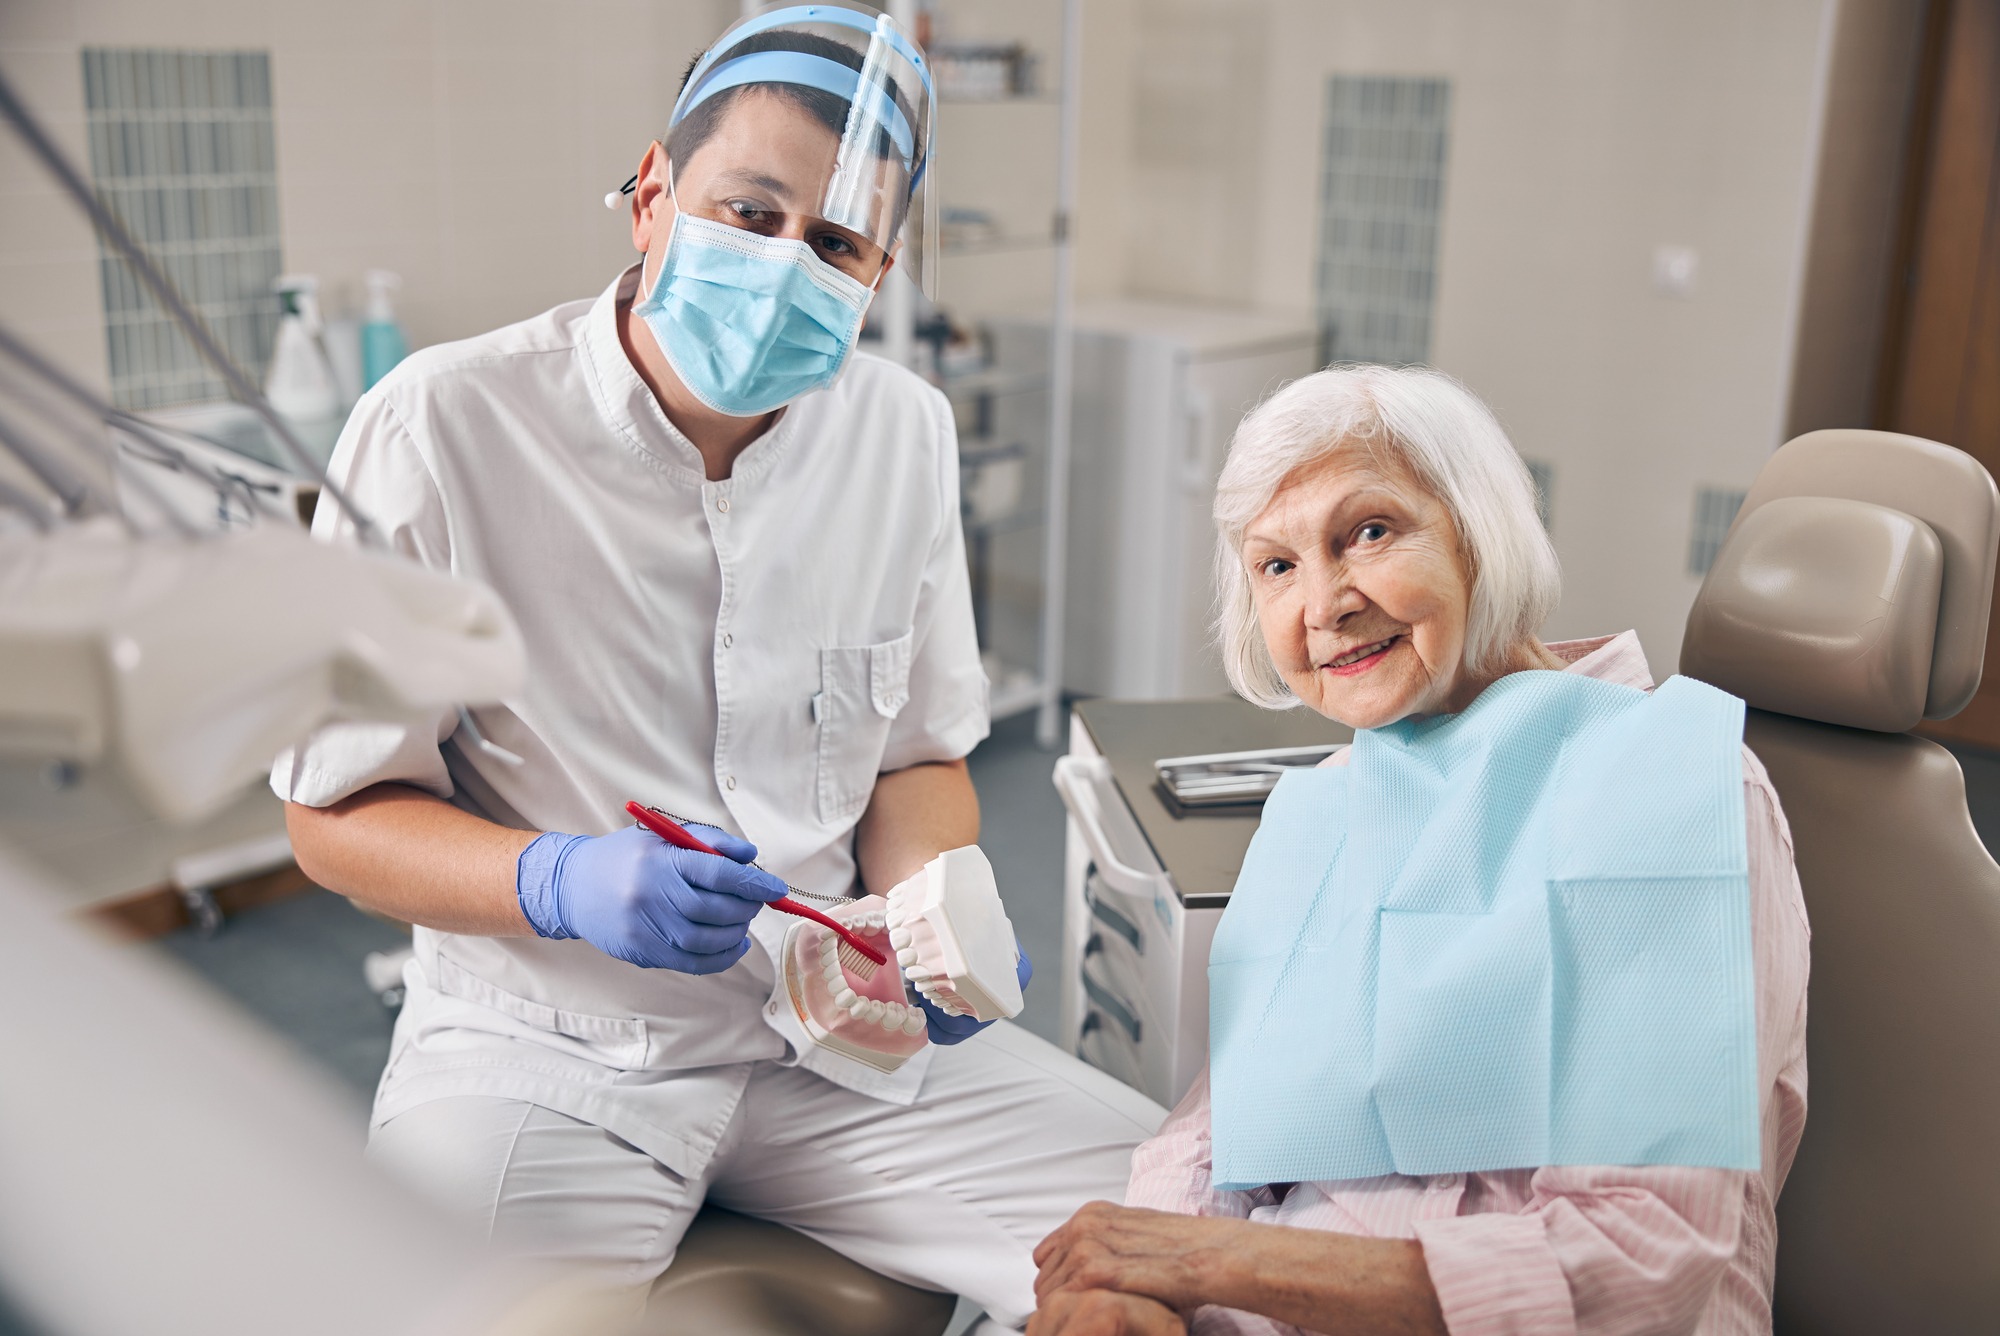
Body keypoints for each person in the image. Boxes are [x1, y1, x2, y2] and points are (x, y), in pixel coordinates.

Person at [274, 8, 1159, 1331]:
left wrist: (929, 912)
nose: (788, 263)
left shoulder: (902, 434)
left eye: (838, 244)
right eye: (749, 212)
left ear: (882, 268)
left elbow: (915, 753)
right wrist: (556, 880)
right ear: (650, 197)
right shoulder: (443, 427)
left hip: (835, 1043)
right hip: (547, 1054)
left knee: (1193, 1237)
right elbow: (329, 817)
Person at [1029, 365, 1810, 1335]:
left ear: (1477, 532)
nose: (1321, 605)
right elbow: (1207, 1143)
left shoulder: (1666, 792)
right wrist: (1131, 1289)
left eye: (1366, 532)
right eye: (1274, 566)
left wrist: (1209, 1262)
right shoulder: (1320, 812)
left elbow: (1638, 1265)